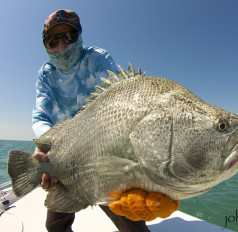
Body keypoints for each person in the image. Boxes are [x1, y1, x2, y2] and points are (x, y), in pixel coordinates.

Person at [32, 9, 150, 232]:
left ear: (79, 36)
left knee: (134, 227)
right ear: (45, 44)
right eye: (52, 40)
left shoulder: (98, 58)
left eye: (68, 37)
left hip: (104, 156)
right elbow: (40, 116)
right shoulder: (45, 74)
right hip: (63, 153)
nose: (61, 46)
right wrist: (45, 146)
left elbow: (119, 97)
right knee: (55, 226)